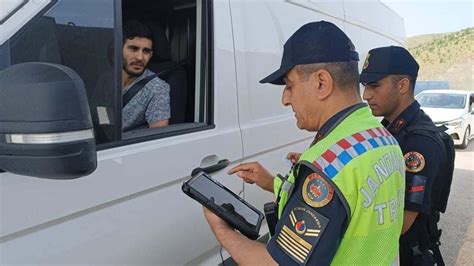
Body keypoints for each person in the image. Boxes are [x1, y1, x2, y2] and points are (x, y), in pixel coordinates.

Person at [203, 21, 406, 265]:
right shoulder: (383, 138)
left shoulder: (326, 167)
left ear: (322, 83)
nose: (285, 99)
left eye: (289, 86)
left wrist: (222, 229)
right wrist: (271, 183)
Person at [360, 46, 454, 265]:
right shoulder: (394, 129)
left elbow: (401, 222)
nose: (366, 95)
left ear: (402, 85)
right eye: (365, 86)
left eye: (374, 86)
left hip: (408, 255)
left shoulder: (417, 143)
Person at [121, 20, 170, 131]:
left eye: (146, 51)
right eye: (133, 48)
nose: (140, 57)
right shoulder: (106, 78)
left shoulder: (157, 88)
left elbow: (158, 136)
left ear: (151, 54)